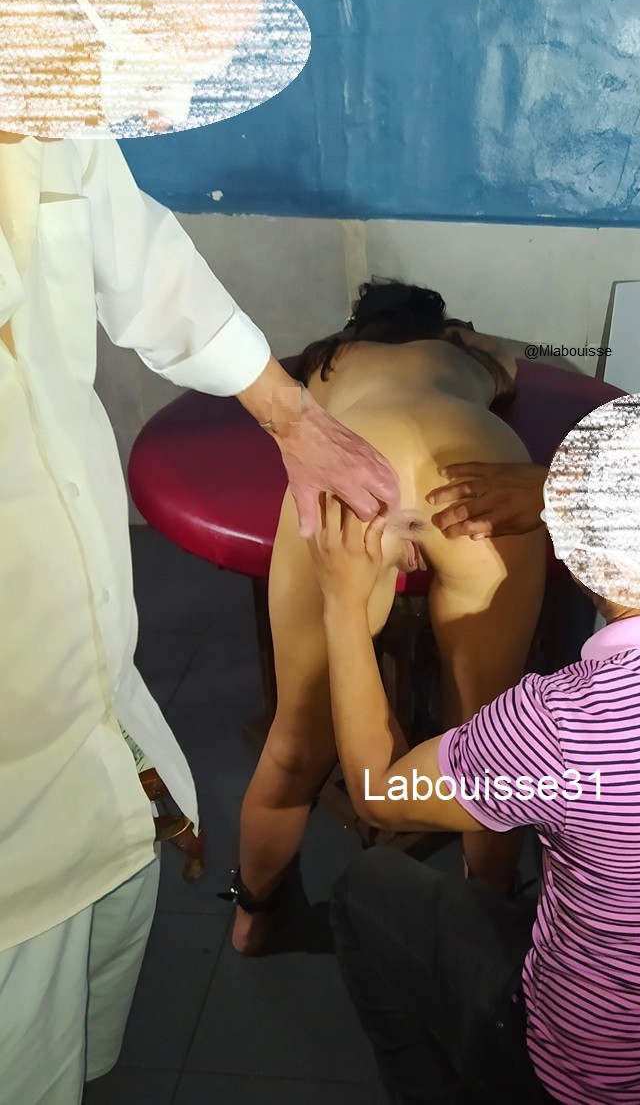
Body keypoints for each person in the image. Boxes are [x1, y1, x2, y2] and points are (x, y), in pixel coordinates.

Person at [0, 2, 397, 1099]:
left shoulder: (46, 102)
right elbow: (387, 782)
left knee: (81, 1000)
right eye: (140, 66)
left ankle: (245, 905)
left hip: (78, 672)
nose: (166, 105)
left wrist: (293, 417)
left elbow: (143, 262)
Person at [304, 394, 640, 1105]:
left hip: (591, 1075)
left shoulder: (563, 728)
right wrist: (558, 494)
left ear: (581, 561)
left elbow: (380, 792)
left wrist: (343, 605)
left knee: (365, 888)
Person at [224, 280, 547, 954]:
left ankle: (254, 917)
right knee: (487, 742)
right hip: (470, 461)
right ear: (442, 325)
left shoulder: (326, 359)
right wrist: (467, 341)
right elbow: (515, 360)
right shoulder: (468, 352)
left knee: (296, 741)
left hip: (352, 466)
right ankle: (485, 922)